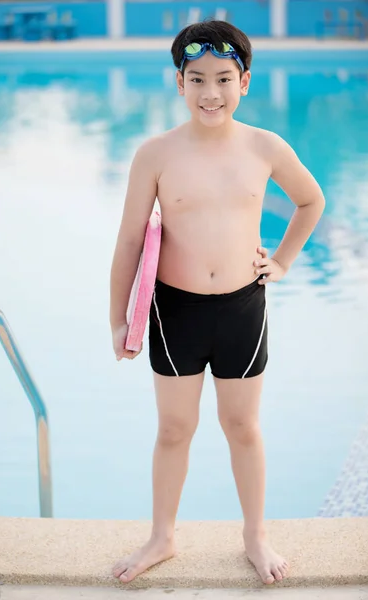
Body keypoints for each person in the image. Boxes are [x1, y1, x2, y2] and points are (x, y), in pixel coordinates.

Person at [109, 20, 325, 586]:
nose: (211, 92)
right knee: (174, 429)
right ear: (178, 83)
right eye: (197, 78)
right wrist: (118, 320)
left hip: (240, 310)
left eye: (224, 79)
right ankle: (163, 535)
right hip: (173, 310)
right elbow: (130, 240)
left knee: (243, 426)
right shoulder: (155, 154)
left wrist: (281, 262)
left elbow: (311, 201)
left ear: (245, 82)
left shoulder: (264, 147)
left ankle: (255, 535)